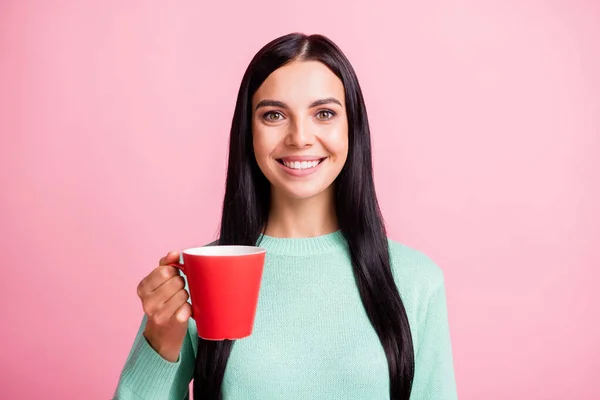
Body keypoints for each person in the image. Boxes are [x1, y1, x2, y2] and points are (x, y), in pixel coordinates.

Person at [113, 32, 457, 400]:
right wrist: (161, 337)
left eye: (324, 113)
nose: (300, 137)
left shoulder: (416, 280)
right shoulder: (198, 278)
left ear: (352, 129)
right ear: (249, 134)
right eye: (274, 115)